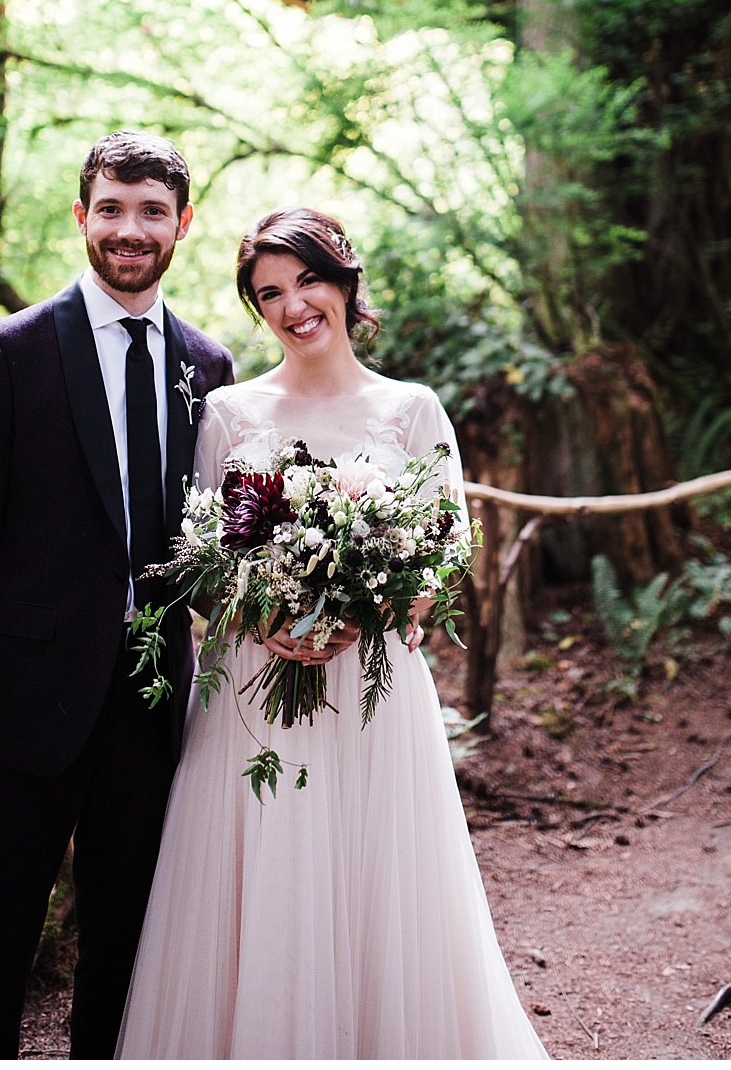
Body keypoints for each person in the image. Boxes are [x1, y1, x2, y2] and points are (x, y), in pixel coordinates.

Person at [117, 208, 549, 1059]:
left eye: (307, 280)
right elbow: (199, 557)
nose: (293, 306)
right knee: (264, 878)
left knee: (379, 883)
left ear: (345, 282)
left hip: (372, 692)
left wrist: (373, 611)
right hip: (254, 690)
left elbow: (444, 546)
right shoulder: (231, 413)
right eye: (269, 293)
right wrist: (266, 615)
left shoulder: (411, 409)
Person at [0, 130, 234, 1060]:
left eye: (152, 213)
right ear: (83, 215)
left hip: (149, 709)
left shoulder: (207, 370)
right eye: (112, 209)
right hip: (18, 716)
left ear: (182, 225)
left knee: (127, 954)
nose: (130, 231)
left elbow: (214, 547)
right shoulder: (6, 352)